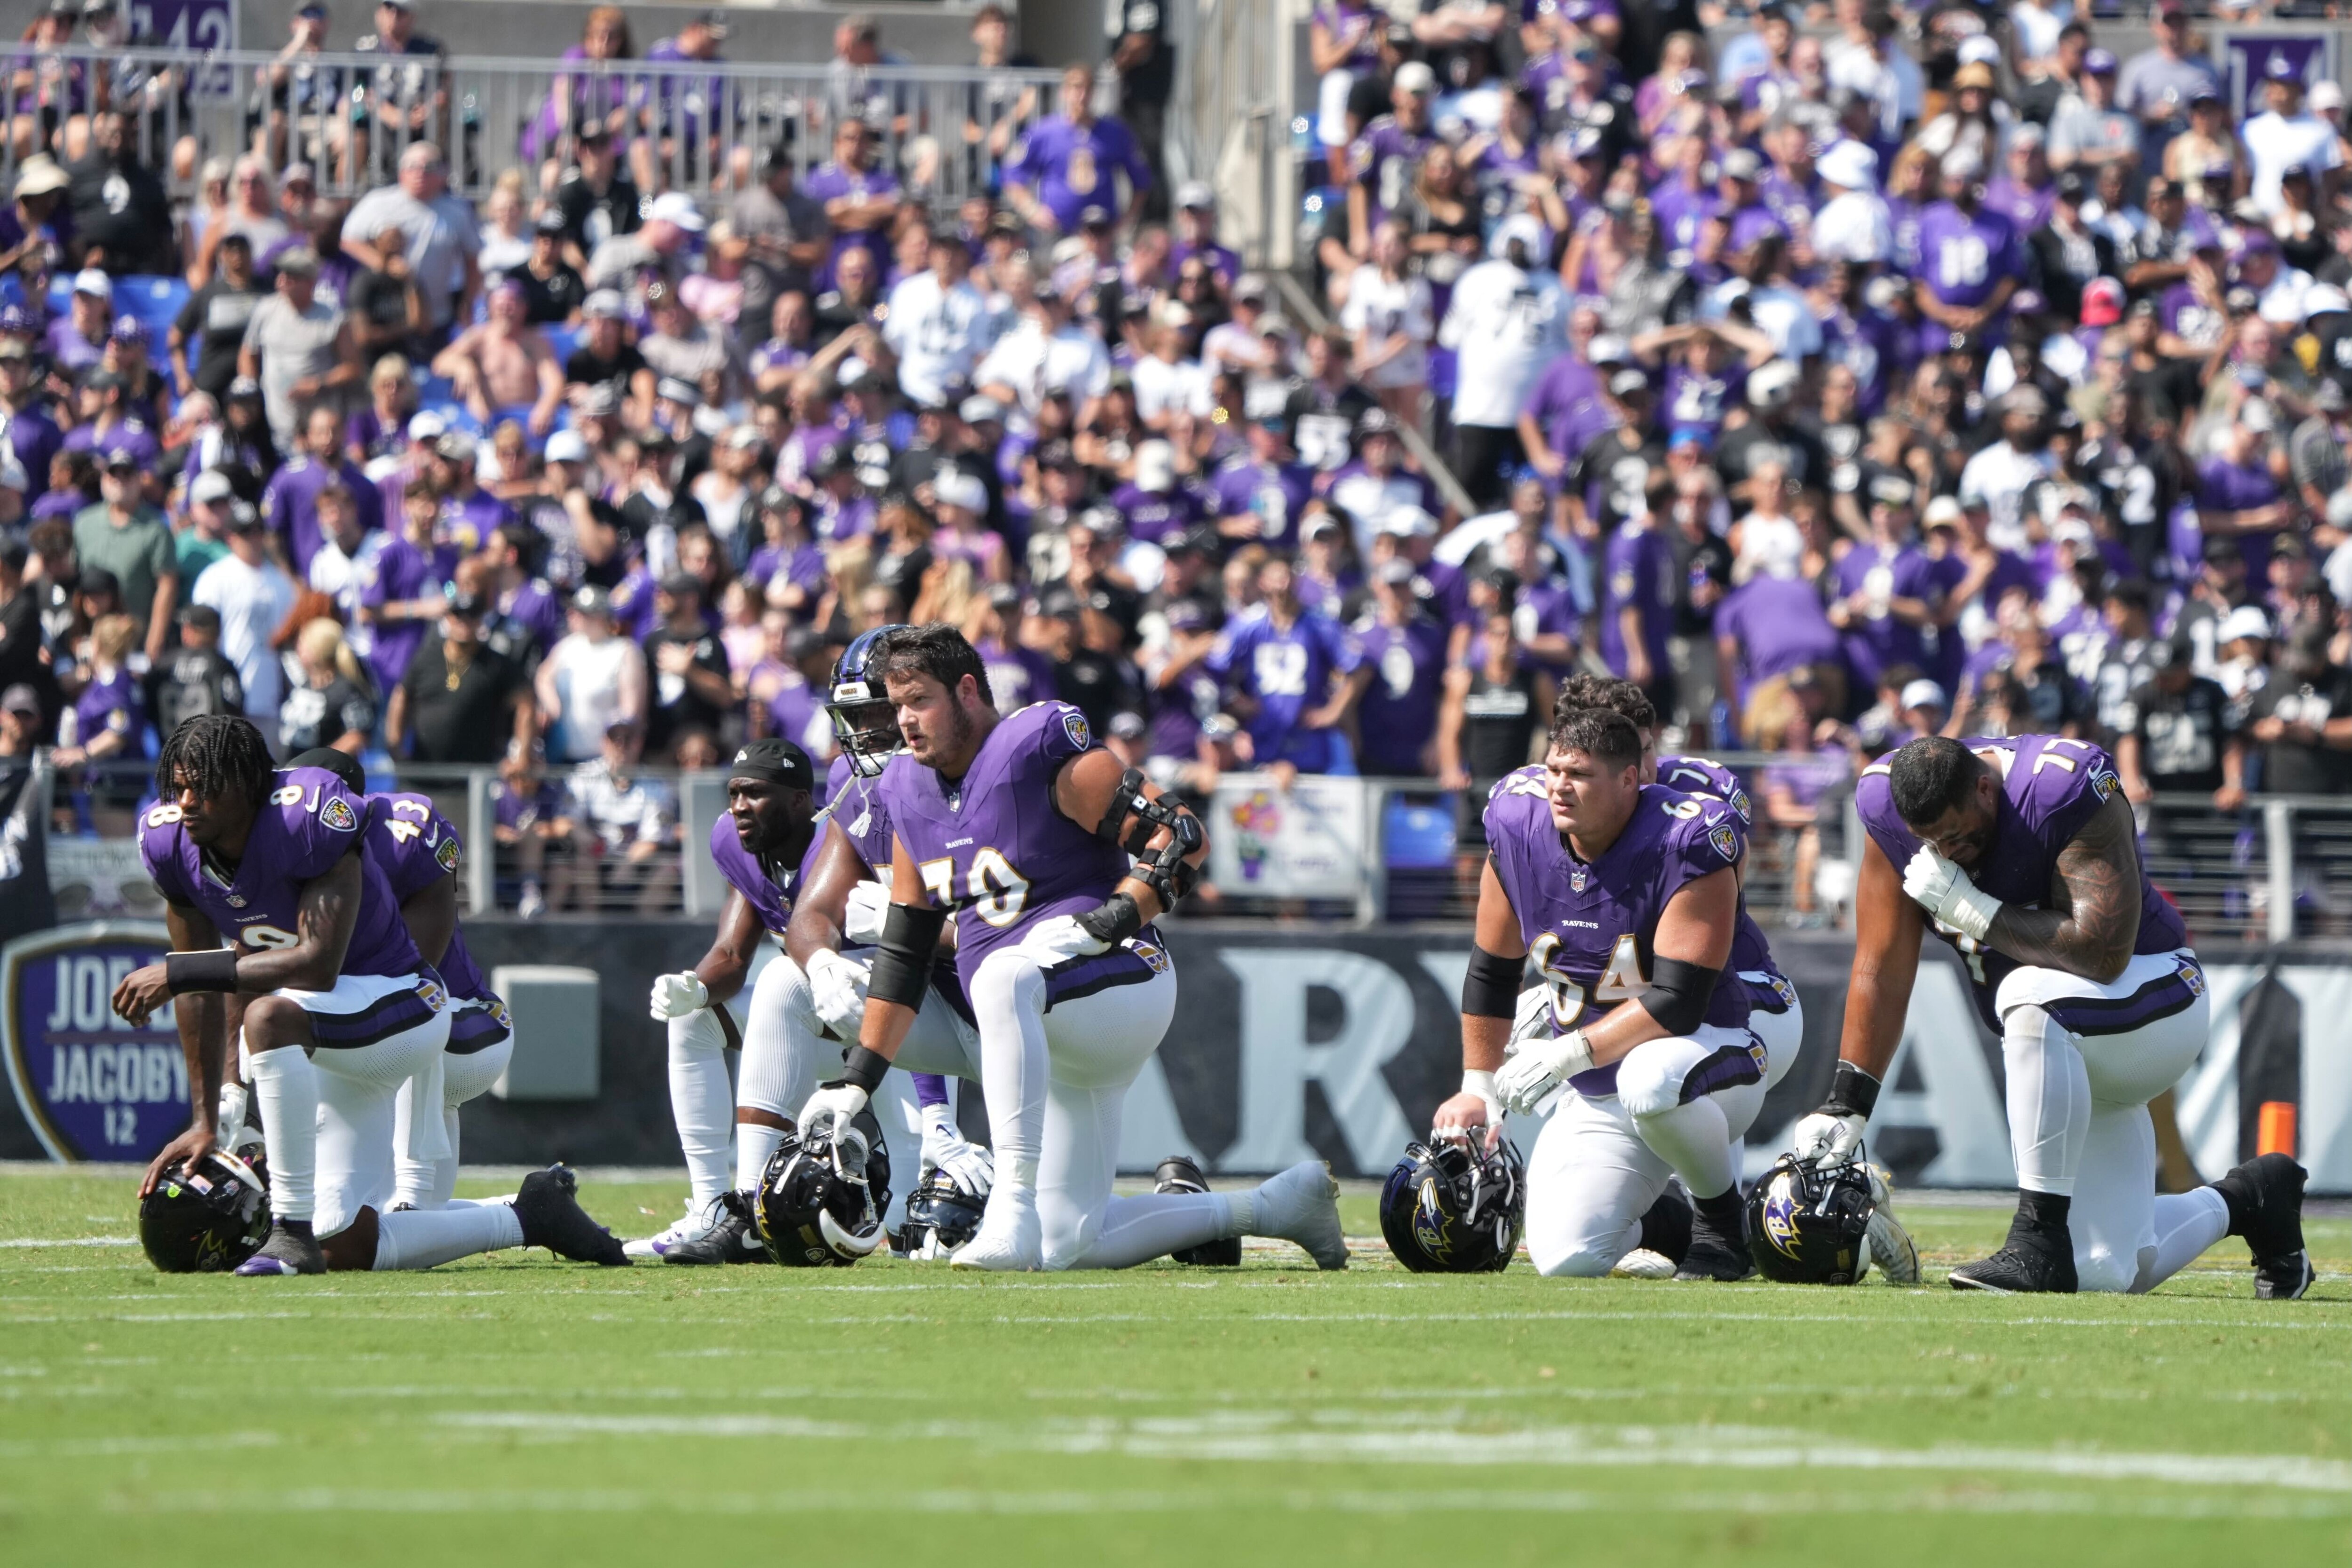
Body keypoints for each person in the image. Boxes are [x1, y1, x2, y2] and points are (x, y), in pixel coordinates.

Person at [796, 624, 1343, 1272]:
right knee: (1071, 1243)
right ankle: (1278, 1206)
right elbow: (907, 953)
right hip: (1026, 1015)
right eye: (897, 705)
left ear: (968, 691)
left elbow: (1181, 837)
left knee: (1002, 975)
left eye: (919, 701)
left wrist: (1112, 918)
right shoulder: (906, 792)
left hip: (1120, 982)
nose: (905, 722)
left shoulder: (1035, 751)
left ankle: (1010, 1208)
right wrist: (856, 1082)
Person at [1793, 735, 2311, 1298]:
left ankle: (2035, 1239)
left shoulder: (2060, 786)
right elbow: (1881, 965)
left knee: (2030, 994)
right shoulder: (1882, 804)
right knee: (2105, 1270)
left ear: (1986, 790)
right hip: (2073, 1043)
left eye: (1956, 836)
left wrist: (1974, 912)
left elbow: (2102, 953)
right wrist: (1847, 1101)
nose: (1944, 853)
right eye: (1929, 842)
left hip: (2156, 998)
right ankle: (2254, 1198)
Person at [118, 716, 625, 1275]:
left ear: (246, 786)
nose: (186, 802)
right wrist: (209, 1115)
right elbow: (205, 983)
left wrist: (181, 974)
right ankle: (528, 1215)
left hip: (412, 1003)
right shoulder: (170, 842)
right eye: (180, 787)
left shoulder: (309, 823)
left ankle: (291, 1228)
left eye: (204, 787)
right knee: (349, 1243)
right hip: (337, 1028)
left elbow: (314, 963)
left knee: (269, 1018)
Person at [1426, 705, 1765, 1280]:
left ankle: (1723, 1221)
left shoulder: (1686, 836)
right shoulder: (1516, 822)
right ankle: (1671, 1218)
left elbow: (1678, 1000)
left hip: (1707, 1050)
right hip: (1598, 1085)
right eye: (1554, 768)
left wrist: (1565, 1053)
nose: (1559, 786)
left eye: (1579, 774)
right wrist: (1477, 1085)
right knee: (1567, 1257)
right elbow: (1492, 969)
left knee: (1649, 1079)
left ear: (1630, 780)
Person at [286, 746, 511, 1216]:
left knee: (410, 1002)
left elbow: (413, 976)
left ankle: (411, 1189)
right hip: (398, 1037)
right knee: (377, 1217)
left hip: (469, 1024)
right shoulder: (286, 855)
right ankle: (520, 1209)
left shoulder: (402, 837)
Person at [630, 737, 826, 1260]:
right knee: (694, 1018)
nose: (739, 805)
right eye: (734, 792)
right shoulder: (740, 846)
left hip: (872, 1026)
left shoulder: (836, 845)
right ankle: (713, 1206)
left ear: (799, 801)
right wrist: (694, 985)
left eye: (755, 793)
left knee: (784, 980)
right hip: (801, 1022)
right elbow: (731, 955)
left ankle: (754, 1210)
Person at [387, 586, 534, 765]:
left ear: (481, 620)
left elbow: (525, 703)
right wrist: (395, 745)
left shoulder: (495, 664)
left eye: (472, 615)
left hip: (473, 778)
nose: (465, 622)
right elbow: (401, 695)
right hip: (423, 774)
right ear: (448, 618)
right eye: (459, 615)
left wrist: (521, 756)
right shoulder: (426, 657)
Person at [1003, 65, 1153, 237]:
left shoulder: (1114, 133)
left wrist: (1128, 219)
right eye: (1076, 88)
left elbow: (1142, 179)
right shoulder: (1043, 132)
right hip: (1057, 230)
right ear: (1064, 92)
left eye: (1087, 89)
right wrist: (1031, 210)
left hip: (1100, 231)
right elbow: (1012, 175)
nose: (1081, 96)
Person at [237, 248, 358, 449]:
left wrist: (318, 384)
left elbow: (353, 368)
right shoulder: (266, 310)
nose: (283, 280)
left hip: (318, 430)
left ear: (310, 282)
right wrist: (251, 389)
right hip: (275, 422)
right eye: (282, 274)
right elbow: (248, 353)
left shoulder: (333, 318)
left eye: (292, 276)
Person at [190, 500, 296, 725]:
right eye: (246, 533)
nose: (254, 539)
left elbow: (289, 642)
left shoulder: (281, 583)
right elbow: (201, 637)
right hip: (224, 698)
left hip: (269, 698)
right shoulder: (215, 578)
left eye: (259, 532)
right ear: (230, 537)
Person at [72, 449, 175, 665]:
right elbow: (75, 581)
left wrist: (155, 640)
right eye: (113, 474)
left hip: (133, 643)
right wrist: (75, 636)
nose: (119, 480)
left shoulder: (156, 528)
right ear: (103, 479)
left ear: (139, 479)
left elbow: (167, 585)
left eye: (127, 474)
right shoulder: (84, 523)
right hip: (93, 643)